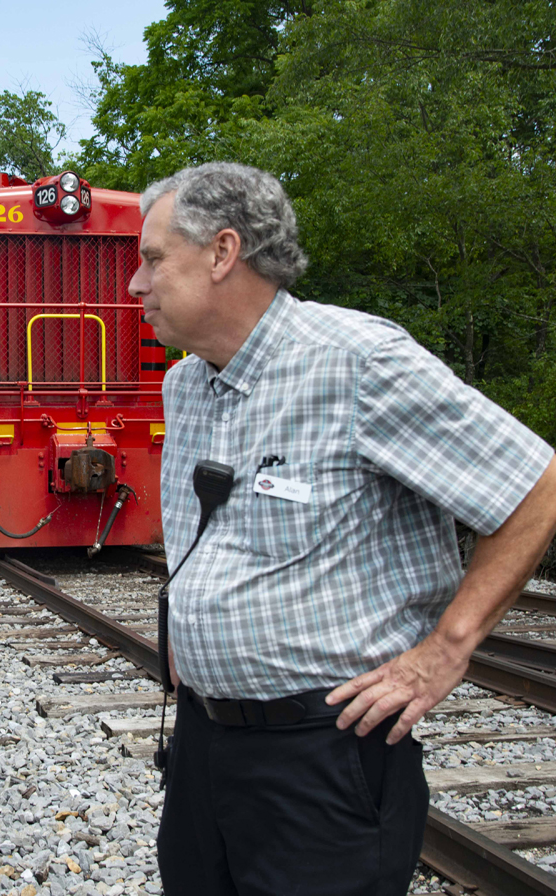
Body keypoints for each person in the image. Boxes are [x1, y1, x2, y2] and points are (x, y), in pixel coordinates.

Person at [128, 162, 556, 895]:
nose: (136, 285)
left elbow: (536, 486)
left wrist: (446, 651)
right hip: (202, 746)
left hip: (321, 757)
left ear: (224, 253)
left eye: (153, 259)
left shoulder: (359, 363)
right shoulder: (185, 384)